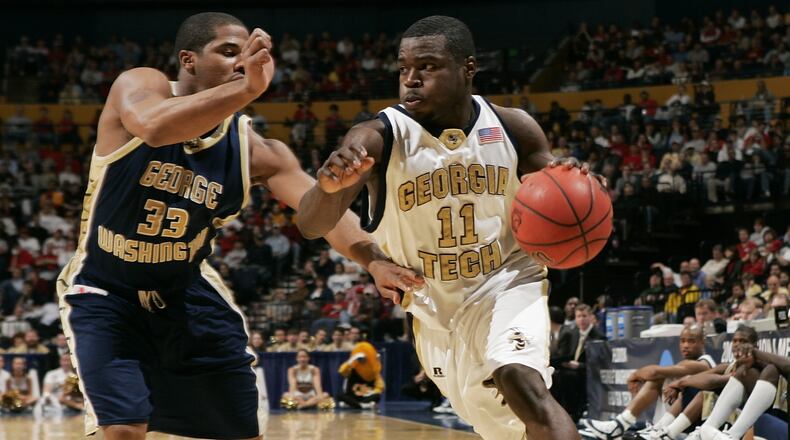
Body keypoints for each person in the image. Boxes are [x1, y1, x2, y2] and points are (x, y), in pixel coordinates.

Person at [55, 12, 418, 440]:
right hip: (103, 288)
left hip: (184, 290)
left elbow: (322, 216)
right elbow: (154, 127)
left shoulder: (256, 150)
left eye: (246, 54)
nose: (241, 62)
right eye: (228, 52)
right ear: (188, 60)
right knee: (122, 430)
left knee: (243, 433)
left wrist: (371, 257)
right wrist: (247, 88)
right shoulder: (140, 84)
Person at [296, 15, 602, 440]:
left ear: (467, 68)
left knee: (521, 381)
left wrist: (583, 183)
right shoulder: (377, 137)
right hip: (434, 309)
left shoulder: (513, 127)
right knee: (502, 429)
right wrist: (329, 188)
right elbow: (311, 224)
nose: (411, 79)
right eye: (404, 68)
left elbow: (562, 192)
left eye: (427, 66)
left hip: (508, 281)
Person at [581, 325, 715, 439]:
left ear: (702, 342)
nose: (685, 345)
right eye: (682, 341)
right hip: (667, 425)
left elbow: (654, 372)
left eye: (691, 341)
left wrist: (635, 375)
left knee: (658, 377)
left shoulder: (704, 364)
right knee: (661, 377)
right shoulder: (686, 364)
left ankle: (620, 424)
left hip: (689, 428)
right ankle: (622, 424)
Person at [553, 304, 606, 421]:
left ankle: (572, 413)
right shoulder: (574, 334)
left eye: (584, 316)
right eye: (578, 316)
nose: (581, 319)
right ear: (575, 319)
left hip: (588, 373)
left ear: (591, 317)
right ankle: (557, 412)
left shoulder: (599, 337)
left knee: (567, 376)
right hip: (571, 369)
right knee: (553, 374)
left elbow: (599, 364)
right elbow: (567, 354)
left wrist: (578, 366)